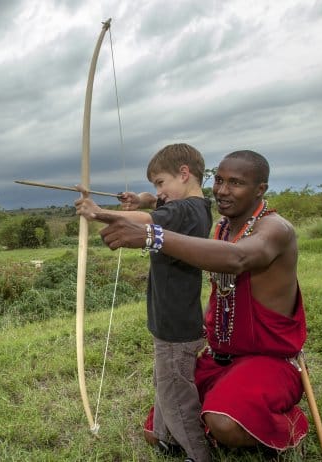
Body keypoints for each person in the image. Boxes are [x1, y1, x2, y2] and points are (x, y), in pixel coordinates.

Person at [82, 150, 309, 454]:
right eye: (219, 180)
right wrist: (147, 200)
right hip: (220, 360)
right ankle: (226, 414)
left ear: (260, 190)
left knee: (224, 421)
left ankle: (283, 422)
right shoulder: (224, 227)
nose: (222, 190)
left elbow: (239, 258)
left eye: (236, 183)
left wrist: (153, 236)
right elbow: (174, 208)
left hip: (267, 362)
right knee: (159, 430)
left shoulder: (276, 229)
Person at [75, 143, 213, 462]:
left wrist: (98, 213)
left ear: (184, 173)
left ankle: (198, 455)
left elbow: (148, 217)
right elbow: (155, 204)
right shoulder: (197, 207)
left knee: (176, 393)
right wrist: (144, 197)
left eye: (161, 182)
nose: (159, 191)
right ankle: (167, 439)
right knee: (166, 383)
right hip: (174, 321)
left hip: (175, 326)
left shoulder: (183, 211)